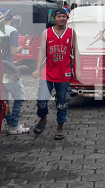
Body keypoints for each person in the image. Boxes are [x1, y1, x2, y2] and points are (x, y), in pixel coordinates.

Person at [32, 8, 82, 141]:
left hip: (64, 73)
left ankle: (60, 127)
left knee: (62, 103)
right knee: (41, 100)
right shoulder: (46, 33)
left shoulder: (71, 33)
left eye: (64, 16)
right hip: (47, 72)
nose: (62, 19)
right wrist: (37, 69)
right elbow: (42, 51)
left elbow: (76, 50)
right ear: (54, 19)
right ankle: (43, 118)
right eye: (59, 16)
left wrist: (78, 69)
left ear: (67, 18)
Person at [0, 8, 30, 135]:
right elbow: (13, 51)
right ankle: (14, 124)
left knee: (4, 97)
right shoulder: (12, 31)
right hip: (9, 68)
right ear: (12, 18)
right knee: (19, 95)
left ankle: (10, 121)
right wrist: (21, 47)